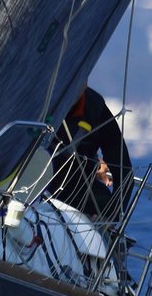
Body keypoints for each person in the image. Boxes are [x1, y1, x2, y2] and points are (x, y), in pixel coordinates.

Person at [50, 86, 133, 226]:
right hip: (28, 182)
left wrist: (113, 214)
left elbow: (124, 170)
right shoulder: (40, 97)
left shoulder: (95, 107)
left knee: (105, 205)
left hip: (76, 189)